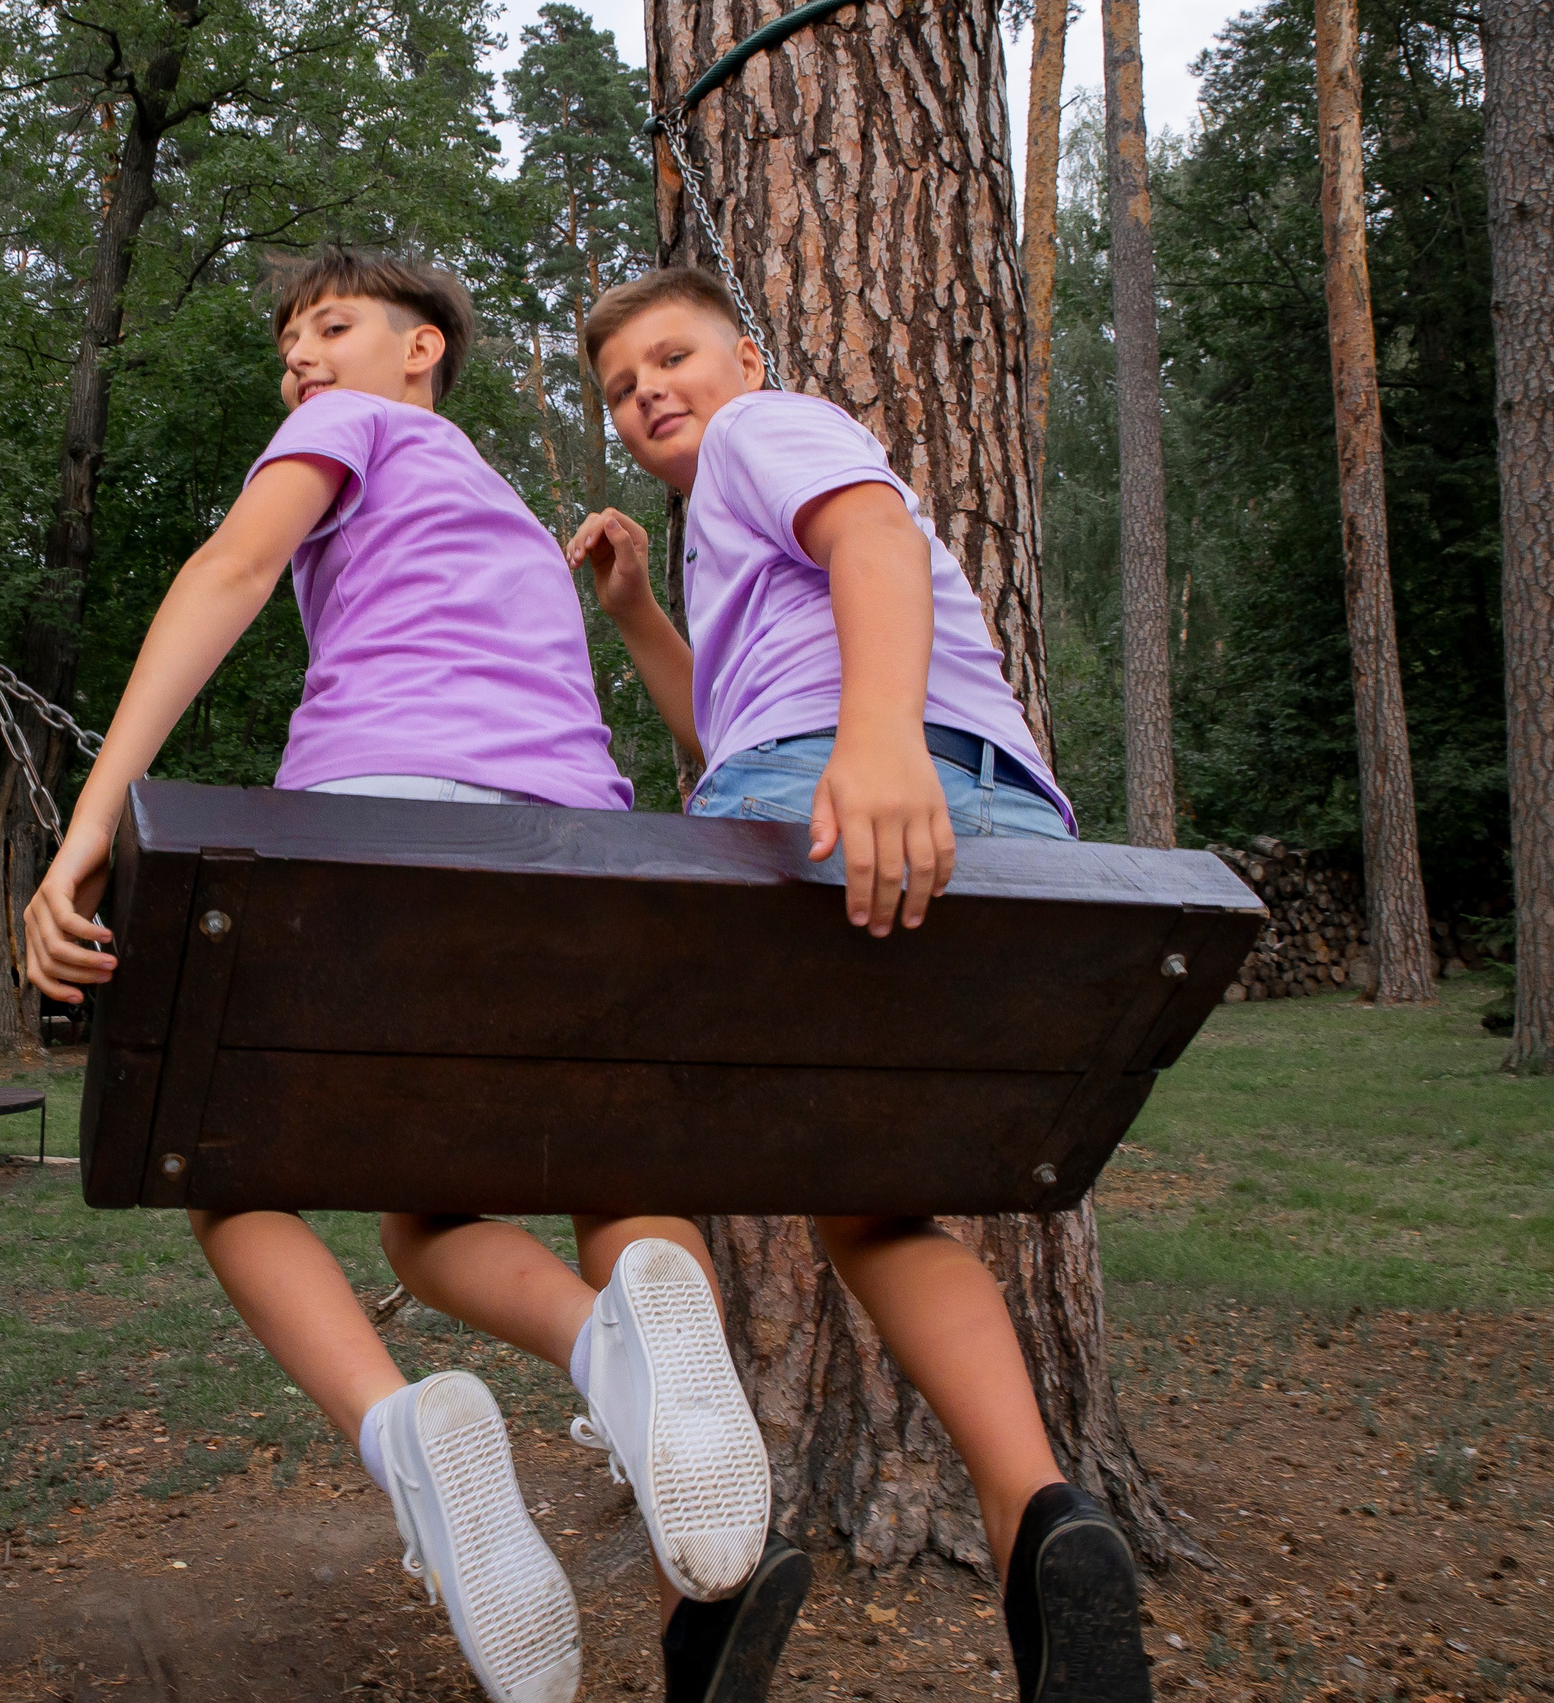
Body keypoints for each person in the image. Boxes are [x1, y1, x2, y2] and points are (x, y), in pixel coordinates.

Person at [20, 248, 800, 1703]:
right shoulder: (506, 514)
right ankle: (620, 1335)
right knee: (512, 1191)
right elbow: (715, 750)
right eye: (288, 351)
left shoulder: (352, 430)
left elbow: (233, 568)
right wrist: (638, 613)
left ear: (421, 347)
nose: (300, 364)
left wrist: (88, 827)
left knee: (217, 1163)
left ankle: (402, 1436)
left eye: (330, 328)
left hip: (382, 832)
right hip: (580, 856)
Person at [570, 263, 1154, 1703]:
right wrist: (645, 611)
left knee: (606, 1147)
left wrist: (878, 735)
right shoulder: (721, 529)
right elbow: (731, 717)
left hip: (859, 798)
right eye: (620, 391)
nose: (647, 392)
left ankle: (706, 1577)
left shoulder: (770, 433)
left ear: (746, 356)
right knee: (872, 1209)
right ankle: (1040, 1521)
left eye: (672, 357)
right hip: (977, 833)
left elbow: (876, 542)